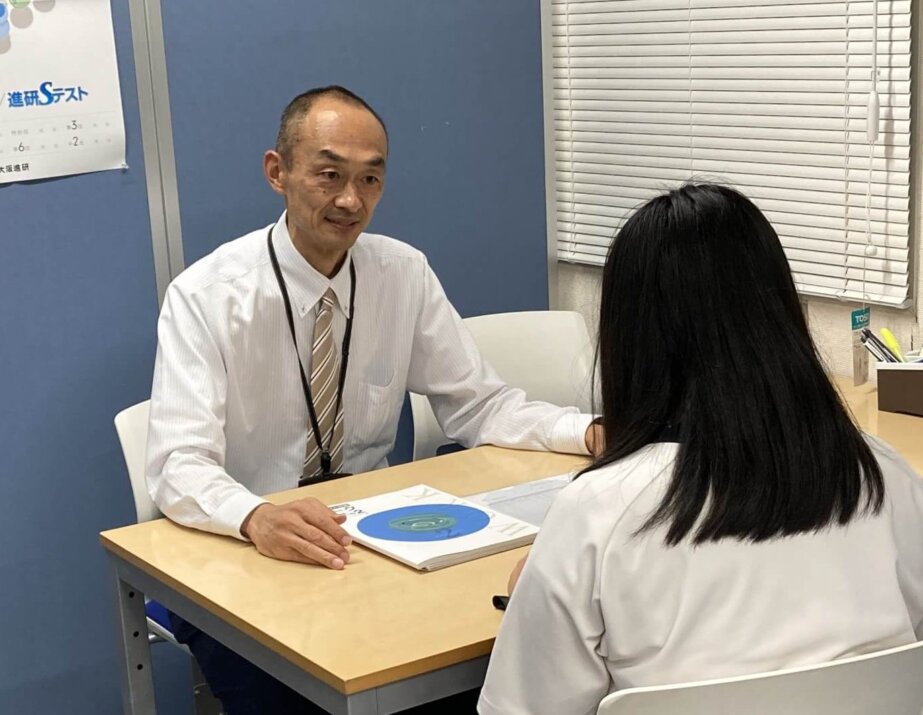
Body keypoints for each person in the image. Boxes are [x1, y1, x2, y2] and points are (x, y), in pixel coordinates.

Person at [145, 85, 598, 714]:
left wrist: (589, 432)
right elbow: (178, 463)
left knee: (479, 674)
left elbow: (480, 406)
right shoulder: (207, 296)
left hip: (371, 548)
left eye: (370, 179)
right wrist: (255, 517)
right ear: (278, 172)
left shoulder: (401, 273)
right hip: (248, 551)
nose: (350, 200)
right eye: (329, 174)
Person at [479, 184, 923, 715]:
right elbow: (921, 657)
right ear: (781, 315)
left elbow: (522, 707)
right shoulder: (886, 478)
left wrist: (534, 594)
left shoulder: (596, 514)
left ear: (629, 339)